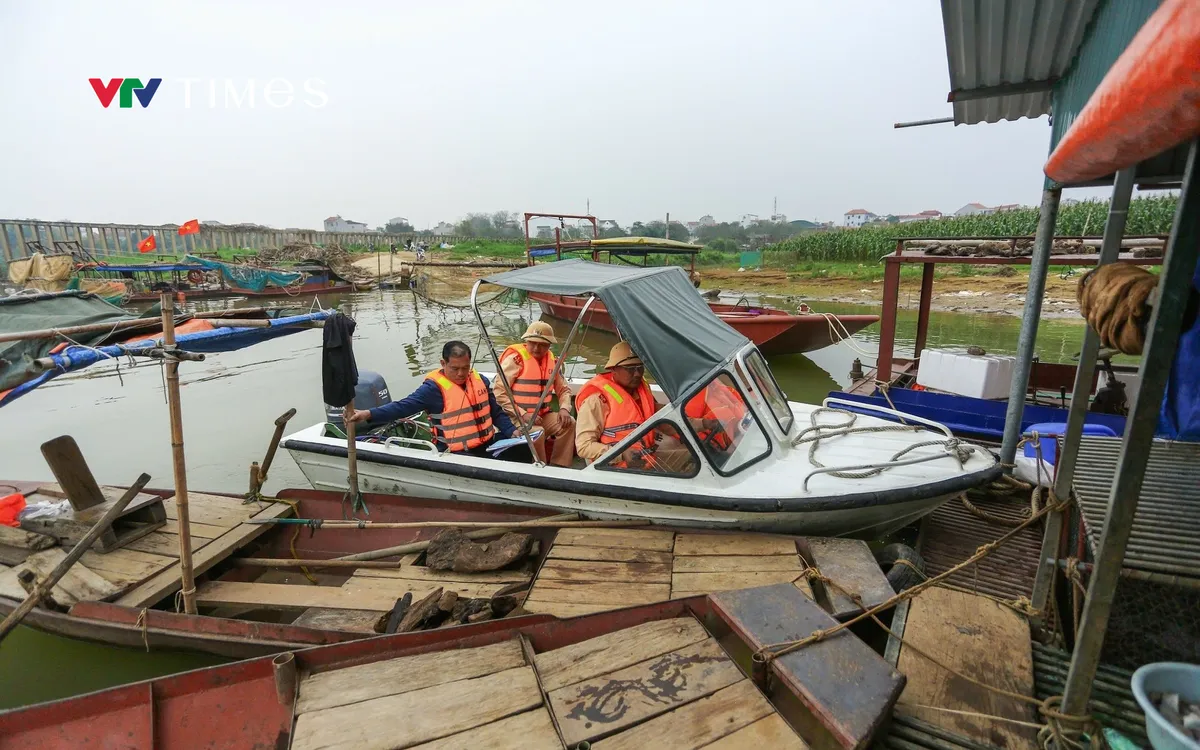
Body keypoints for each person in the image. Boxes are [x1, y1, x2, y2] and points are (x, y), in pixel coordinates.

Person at [347, 340, 526, 459]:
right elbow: (403, 407)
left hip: (489, 445)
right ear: (443, 363)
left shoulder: (481, 381)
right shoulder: (432, 390)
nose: (461, 373)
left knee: (524, 451)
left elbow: (494, 412)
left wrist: (511, 431)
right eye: (455, 368)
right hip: (457, 453)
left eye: (465, 367)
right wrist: (368, 414)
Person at [493, 321, 576, 467]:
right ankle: (540, 467)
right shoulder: (515, 360)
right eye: (532, 343)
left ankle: (560, 466)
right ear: (526, 342)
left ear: (550, 345)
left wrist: (564, 409)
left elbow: (564, 390)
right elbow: (500, 393)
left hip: (542, 415)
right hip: (516, 417)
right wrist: (523, 413)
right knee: (538, 432)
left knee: (569, 424)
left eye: (542, 344)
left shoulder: (553, 362)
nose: (536, 348)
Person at [575, 341, 660, 467]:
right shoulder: (596, 401)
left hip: (647, 460)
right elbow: (584, 447)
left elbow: (659, 416)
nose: (637, 374)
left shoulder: (641, 391)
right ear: (613, 370)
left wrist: (697, 425)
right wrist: (621, 454)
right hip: (616, 470)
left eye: (640, 367)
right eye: (630, 369)